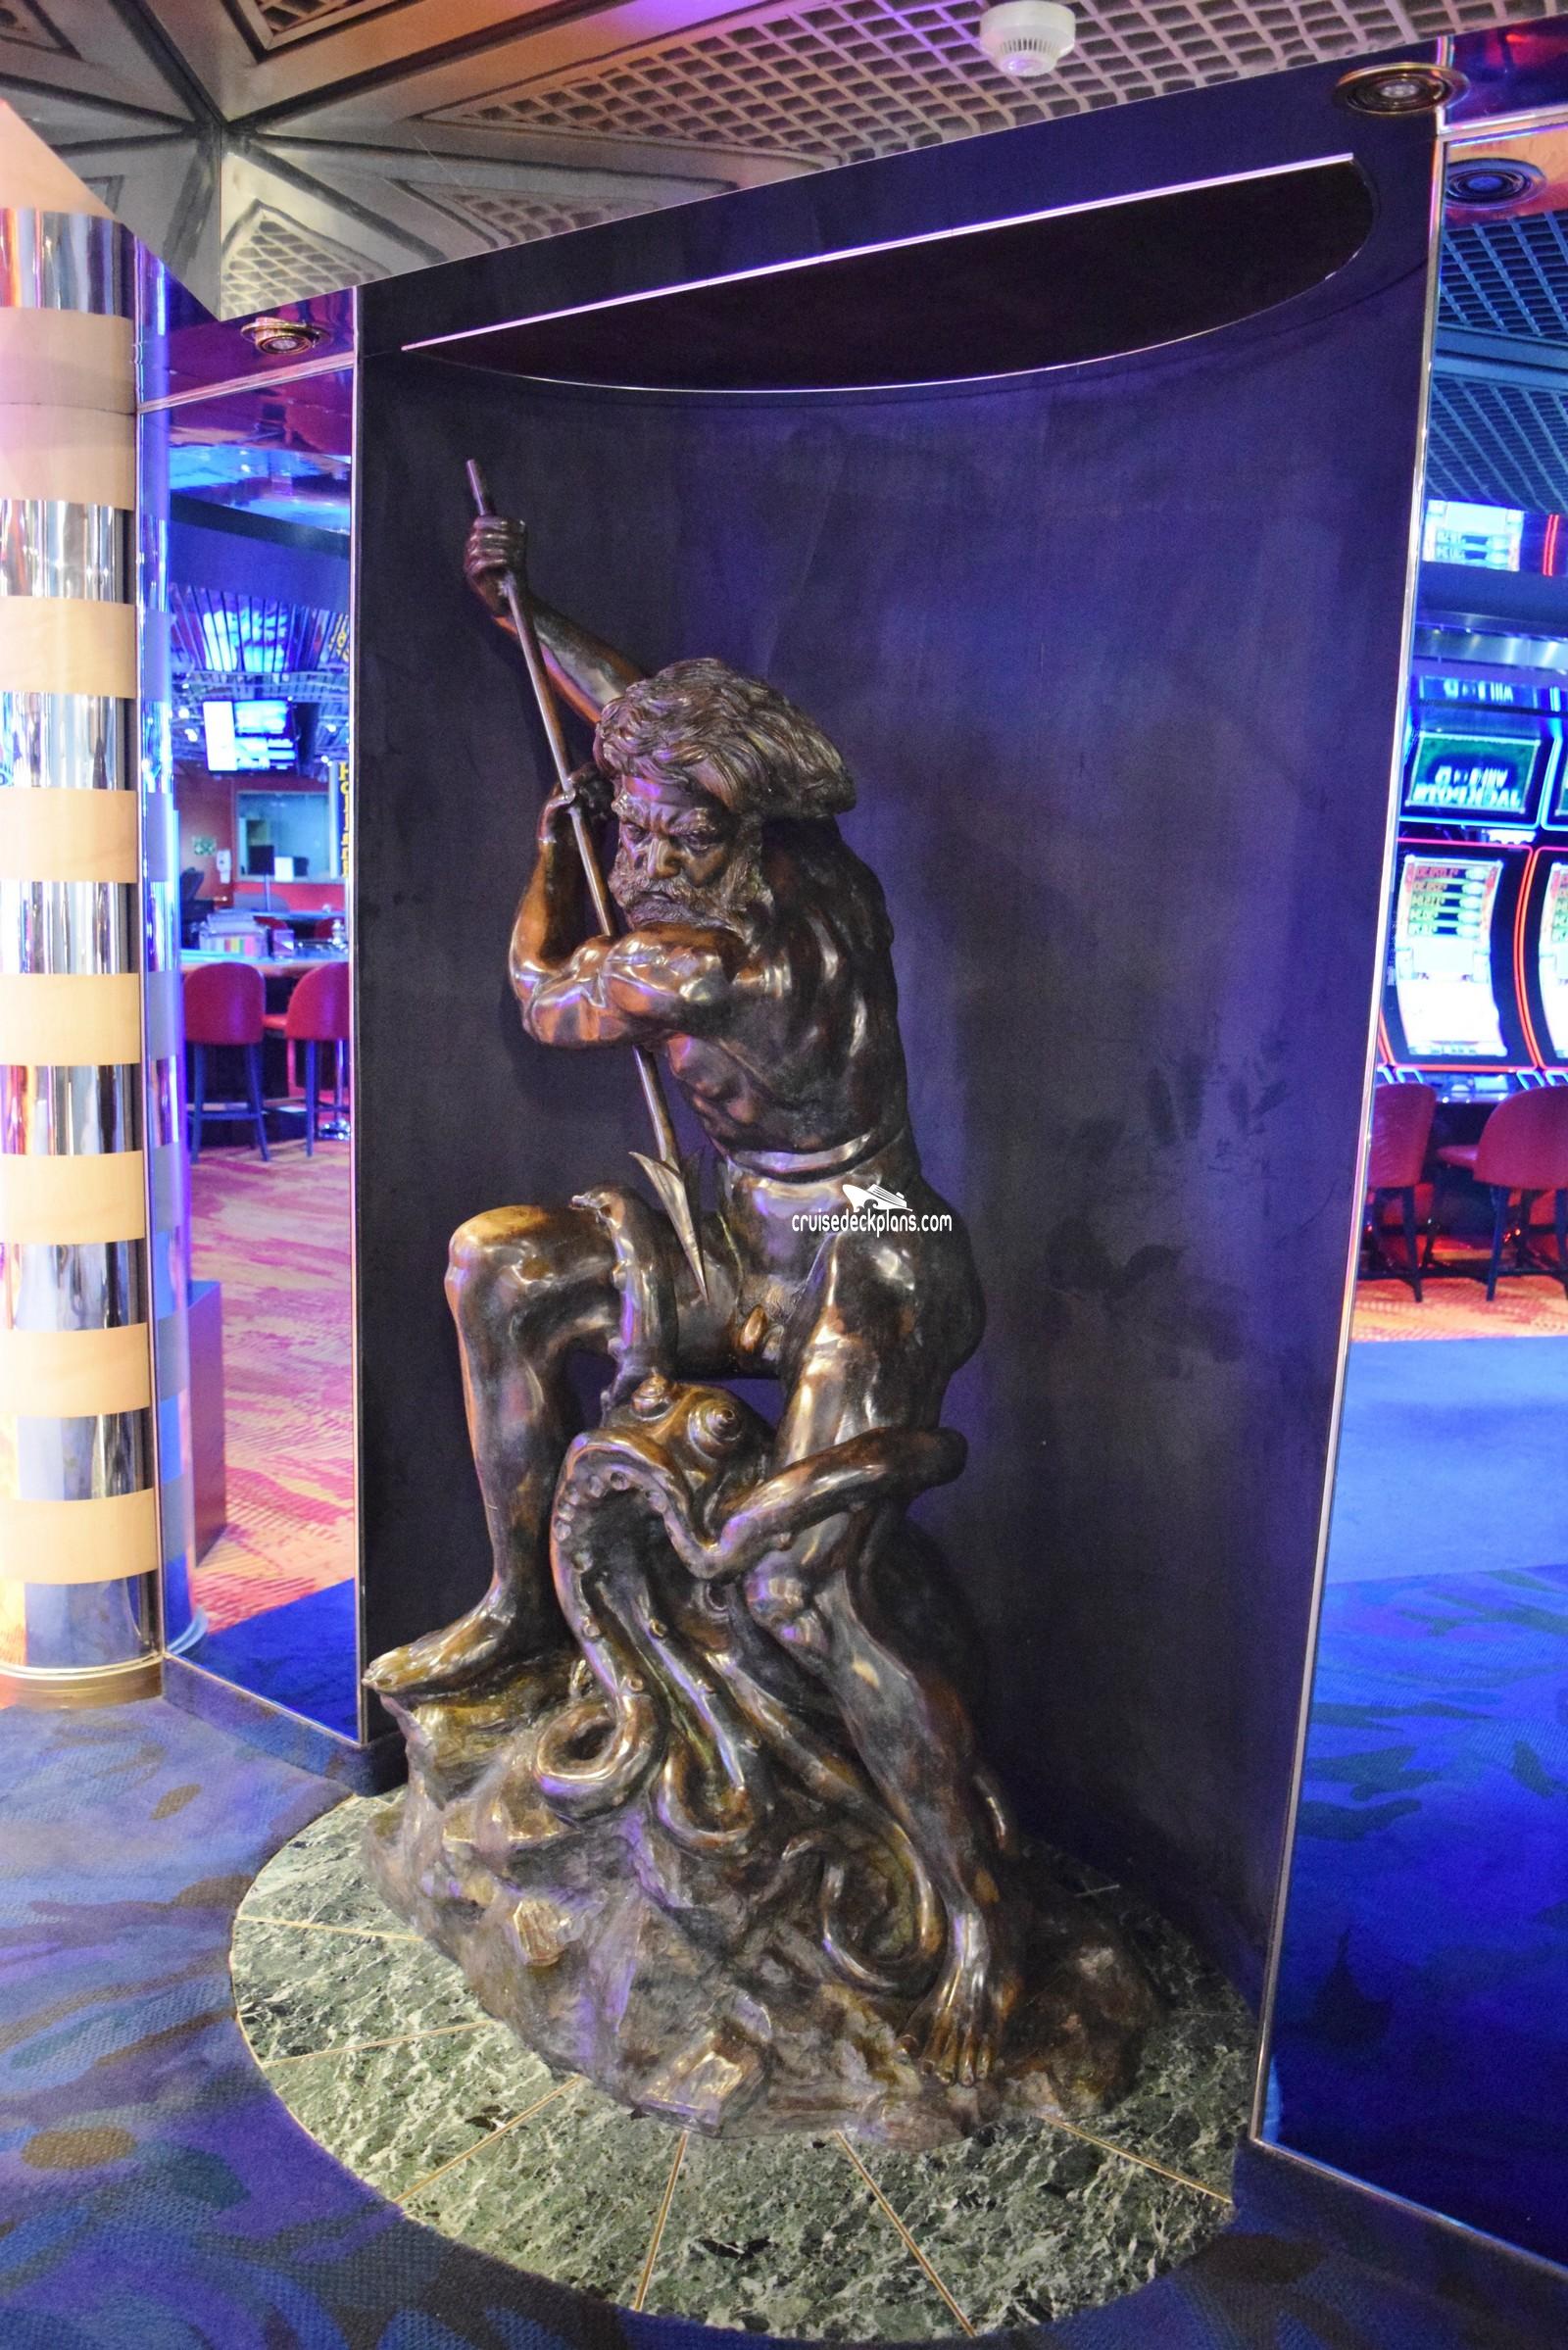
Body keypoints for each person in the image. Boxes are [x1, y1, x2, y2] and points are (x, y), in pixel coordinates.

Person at [368, 516, 1013, 2081]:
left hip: (874, 1246)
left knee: (812, 1592)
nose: (639, 853)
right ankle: (521, 1601)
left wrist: (552, 867)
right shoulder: (797, 837)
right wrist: (528, 612)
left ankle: (975, 1912)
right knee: (501, 1268)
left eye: (665, 835)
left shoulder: (695, 955)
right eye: (626, 829)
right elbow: (644, 714)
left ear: (733, 830)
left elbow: (542, 993)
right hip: (751, 1231)